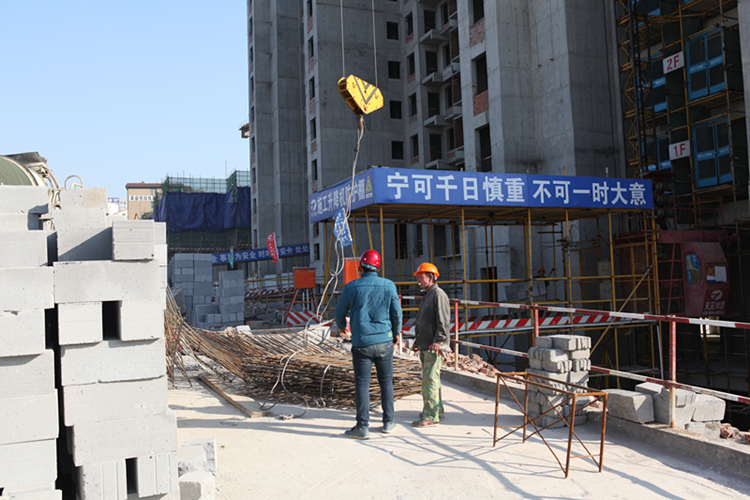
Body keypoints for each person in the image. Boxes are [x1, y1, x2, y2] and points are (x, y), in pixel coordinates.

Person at [335, 249, 402, 440]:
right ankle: (388, 422)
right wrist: (396, 334)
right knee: (386, 382)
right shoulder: (389, 286)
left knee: (362, 384)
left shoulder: (351, 287)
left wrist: (342, 328)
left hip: (362, 343)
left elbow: (339, 312)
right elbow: (396, 313)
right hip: (385, 342)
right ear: (378, 268)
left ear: (360, 267)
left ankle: (362, 427)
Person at [412, 262, 450, 427]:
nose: (418, 280)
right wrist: (417, 341)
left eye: (421, 276)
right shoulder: (428, 295)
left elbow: (443, 321)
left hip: (433, 347)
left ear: (431, 277)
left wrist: (439, 341)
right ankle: (437, 410)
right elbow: (424, 321)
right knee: (433, 380)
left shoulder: (438, 295)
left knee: (430, 381)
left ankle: (430, 415)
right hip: (426, 344)